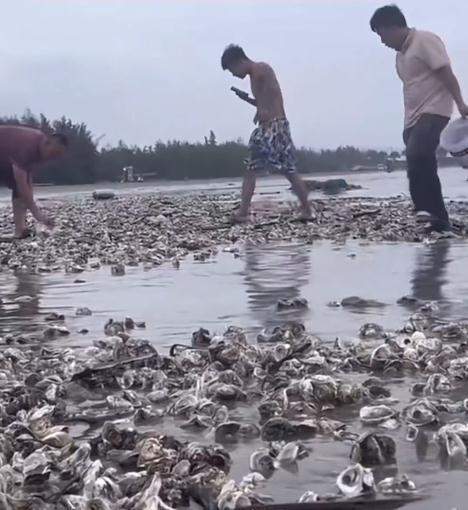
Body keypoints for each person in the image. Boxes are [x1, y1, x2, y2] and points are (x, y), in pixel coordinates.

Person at [370, 5, 468, 232]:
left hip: (435, 111)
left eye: (382, 34)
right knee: (422, 163)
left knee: (417, 154)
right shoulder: (400, 57)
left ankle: (424, 209)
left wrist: (461, 103)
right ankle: (439, 220)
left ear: (394, 26)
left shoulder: (424, 40)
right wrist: (407, 124)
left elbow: (446, 72)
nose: (382, 41)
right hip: (413, 118)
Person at [221, 45, 312, 223]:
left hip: (274, 127)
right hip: (275, 126)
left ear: (239, 62)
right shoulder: (255, 75)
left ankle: (244, 213)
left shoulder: (259, 69)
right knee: (279, 169)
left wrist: (262, 107)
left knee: (267, 169)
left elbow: (270, 94)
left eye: (233, 70)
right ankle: (306, 209)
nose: (234, 74)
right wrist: (251, 101)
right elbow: (267, 99)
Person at [0, 125, 68, 237]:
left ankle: (20, 230)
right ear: (48, 143)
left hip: (4, 158)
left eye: (56, 156)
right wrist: (37, 214)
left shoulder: (39, 148)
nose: (51, 158)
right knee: (20, 187)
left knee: (20, 191)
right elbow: (21, 181)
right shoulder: (28, 145)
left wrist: (33, 204)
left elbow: (27, 180)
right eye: (53, 154)